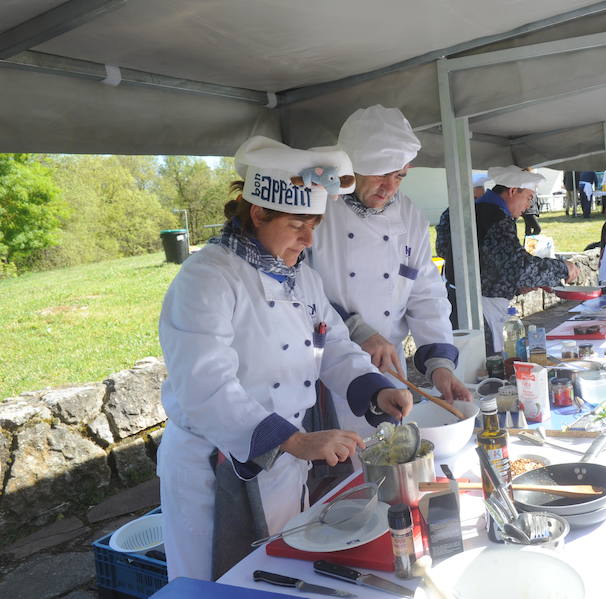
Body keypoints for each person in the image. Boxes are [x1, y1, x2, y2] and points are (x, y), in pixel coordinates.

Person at [156, 136, 413, 581]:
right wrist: (292, 440)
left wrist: (376, 389)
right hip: (216, 465)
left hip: (281, 462)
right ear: (259, 213)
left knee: (276, 576)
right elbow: (205, 386)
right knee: (218, 583)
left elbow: (333, 345)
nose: (309, 238)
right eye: (297, 224)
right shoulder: (207, 278)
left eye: (314, 224)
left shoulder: (300, 277)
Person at [308, 105, 471, 438]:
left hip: (389, 368)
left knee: (390, 451)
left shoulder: (409, 215)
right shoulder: (316, 209)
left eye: (399, 176)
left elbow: (426, 293)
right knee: (340, 457)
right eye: (380, 174)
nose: (390, 187)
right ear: (351, 169)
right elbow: (299, 292)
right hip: (326, 367)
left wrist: (440, 365)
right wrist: (355, 328)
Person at [436, 166, 580, 352]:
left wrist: (514, 286)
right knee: (485, 364)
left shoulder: (459, 211)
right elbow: (519, 268)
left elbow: (450, 252)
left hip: (455, 303)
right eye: (528, 197)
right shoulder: (496, 217)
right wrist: (562, 268)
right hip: (479, 310)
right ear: (512, 191)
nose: (528, 206)